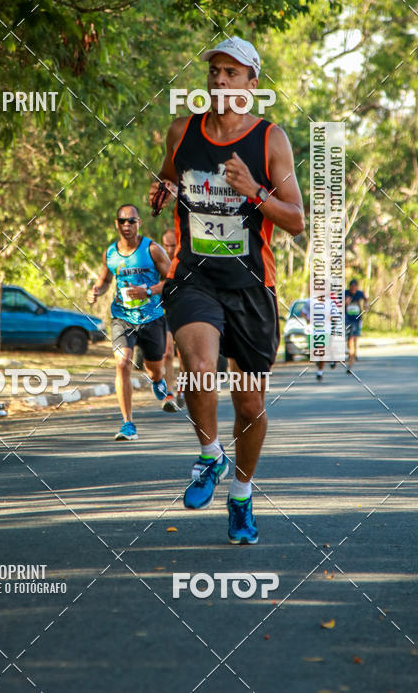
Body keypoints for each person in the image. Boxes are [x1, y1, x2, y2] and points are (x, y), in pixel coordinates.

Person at [149, 36, 304, 544]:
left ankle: (241, 494)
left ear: (251, 85)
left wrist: (253, 192)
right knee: (198, 367)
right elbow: (170, 177)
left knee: (250, 405)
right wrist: (163, 190)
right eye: (215, 71)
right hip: (194, 275)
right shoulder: (182, 130)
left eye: (232, 73)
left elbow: (297, 221)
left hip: (250, 284)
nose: (220, 81)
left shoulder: (269, 140)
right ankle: (210, 455)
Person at [87, 205, 172, 440]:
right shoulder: (110, 253)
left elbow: (172, 280)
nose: (126, 225)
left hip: (152, 317)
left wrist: (147, 291)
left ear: (139, 223)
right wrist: (96, 291)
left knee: (154, 369)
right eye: (122, 221)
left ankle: (158, 381)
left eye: (131, 221)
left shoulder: (152, 250)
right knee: (122, 362)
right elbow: (104, 281)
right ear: (116, 224)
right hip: (122, 317)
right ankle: (127, 424)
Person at [161, 227, 184, 409]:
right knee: (167, 352)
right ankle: (169, 394)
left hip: (185, 311)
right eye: (166, 245)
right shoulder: (158, 260)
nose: (169, 249)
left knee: (183, 354)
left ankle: (182, 388)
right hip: (165, 312)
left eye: (173, 245)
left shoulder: (185, 261)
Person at [300, 295, 342, 382]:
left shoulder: (330, 302)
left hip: (326, 329)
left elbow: (335, 315)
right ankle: (326, 361)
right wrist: (308, 319)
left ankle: (320, 372)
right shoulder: (310, 301)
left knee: (322, 349)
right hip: (314, 329)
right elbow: (303, 312)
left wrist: (330, 319)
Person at [345, 278, 367, 373]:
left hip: (357, 319)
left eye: (355, 287)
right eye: (352, 287)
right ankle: (351, 353)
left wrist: (365, 305)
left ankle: (353, 356)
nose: (353, 288)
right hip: (347, 319)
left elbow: (366, 299)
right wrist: (346, 303)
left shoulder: (359, 293)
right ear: (349, 287)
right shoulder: (345, 293)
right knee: (349, 340)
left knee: (354, 338)